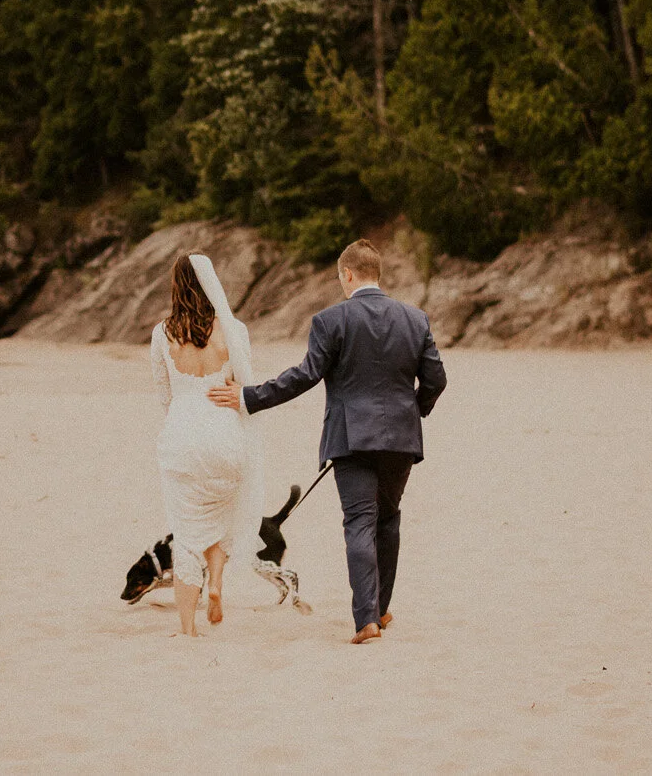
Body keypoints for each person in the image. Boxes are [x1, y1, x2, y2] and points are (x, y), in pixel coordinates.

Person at [213, 238, 445, 645]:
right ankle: (380, 610)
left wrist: (249, 397)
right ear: (377, 274)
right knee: (388, 519)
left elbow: (304, 375)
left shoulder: (330, 320)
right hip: (401, 439)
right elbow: (436, 380)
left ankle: (365, 621)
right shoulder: (415, 318)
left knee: (359, 521)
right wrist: (413, 411)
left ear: (348, 275)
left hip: (351, 437)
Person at [149, 253, 265, 637]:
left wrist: (185, 408)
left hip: (182, 437)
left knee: (186, 531)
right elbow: (245, 386)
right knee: (220, 518)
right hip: (224, 436)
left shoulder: (162, 334)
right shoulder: (235, 331)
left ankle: (187, 627)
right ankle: (216, 584)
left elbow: (164, 395)